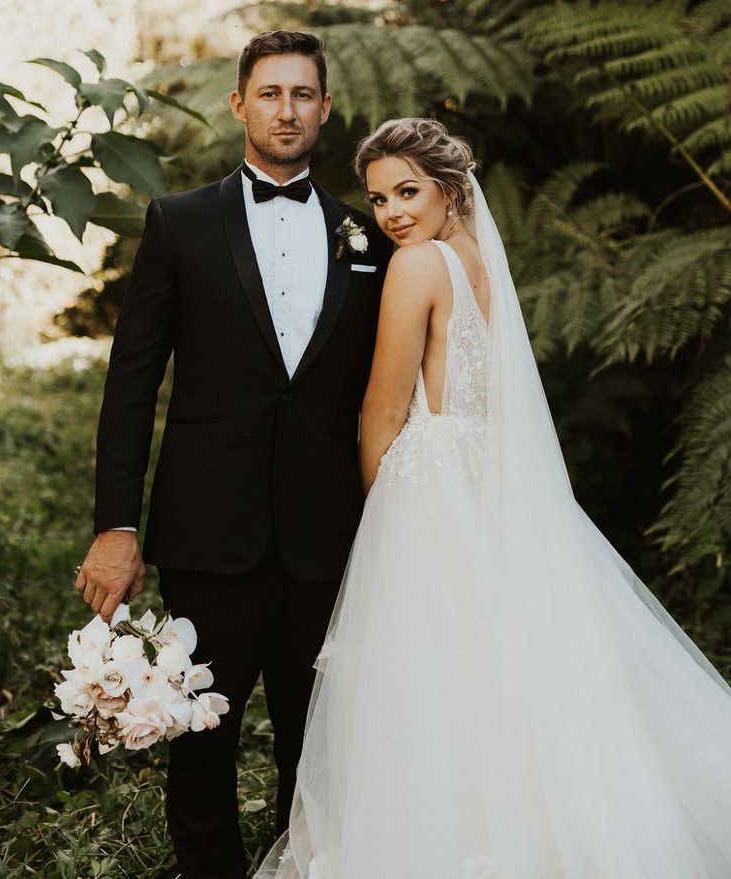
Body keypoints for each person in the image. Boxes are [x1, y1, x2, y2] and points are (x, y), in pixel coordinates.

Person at [256, 117, 731, 879]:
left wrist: (377, 515)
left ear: (450, 188)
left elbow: (382, 411)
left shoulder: (416, 266)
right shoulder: (475, 259)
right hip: (485, 478)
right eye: (378, 199)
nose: (392, 213)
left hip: (427, 486)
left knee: (430, 688)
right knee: (500, 673)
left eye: (407, 191)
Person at [74, 30, 391, 879]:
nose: (286, 110)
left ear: (325, 108)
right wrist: (116, 524)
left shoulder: (370, 238)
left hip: (329, 536)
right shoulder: (178, 223)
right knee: (200, 740)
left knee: (316, 737)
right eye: (270, 93)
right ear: (239, 104)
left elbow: (389, 392)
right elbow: (131, 383)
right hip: (208, 531)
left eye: (302, 95)